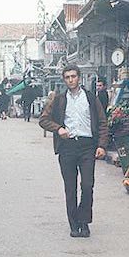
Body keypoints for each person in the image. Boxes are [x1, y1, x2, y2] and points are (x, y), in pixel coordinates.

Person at [39, 65, 108, 238]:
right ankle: (74, 224)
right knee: (70, 188)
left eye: (73, 76)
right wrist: (58, 128)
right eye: (67, 77)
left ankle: (84, 222)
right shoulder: (59, 100)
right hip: (67, 147)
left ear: (79, 78)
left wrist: (102, 145)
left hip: (87, 146)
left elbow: (102, 122)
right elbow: (43, 120)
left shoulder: (91, 98)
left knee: (87, 185)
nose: (71, 80)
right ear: (64, 80)